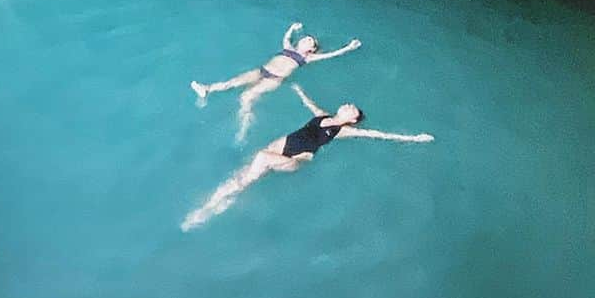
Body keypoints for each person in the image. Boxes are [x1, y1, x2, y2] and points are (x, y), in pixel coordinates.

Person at [181, 82, 434, 230]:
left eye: (351, 108)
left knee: (253, 168)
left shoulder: (341, 131)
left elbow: (378, 135)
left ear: (352, 119)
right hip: (279, 148)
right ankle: (215, 208)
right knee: (240, 177)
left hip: (296, 159)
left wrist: (414, 139)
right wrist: (299, 91)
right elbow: (310, 106)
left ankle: (205, 211)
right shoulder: (323, 115)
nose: (347, 104)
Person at [190, 21, 362, 142]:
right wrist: (292, 28)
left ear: (312, 49)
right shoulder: (288, 48)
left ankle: (244, 126)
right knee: (231, 82)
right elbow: (286, 38)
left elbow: (330, 55)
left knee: (246, 96)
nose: (305, 39)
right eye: (305, 38)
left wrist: (348, 47)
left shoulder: (307, 58)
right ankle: (207, 89)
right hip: (262, 71)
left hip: (275, 79)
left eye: (310, 41)